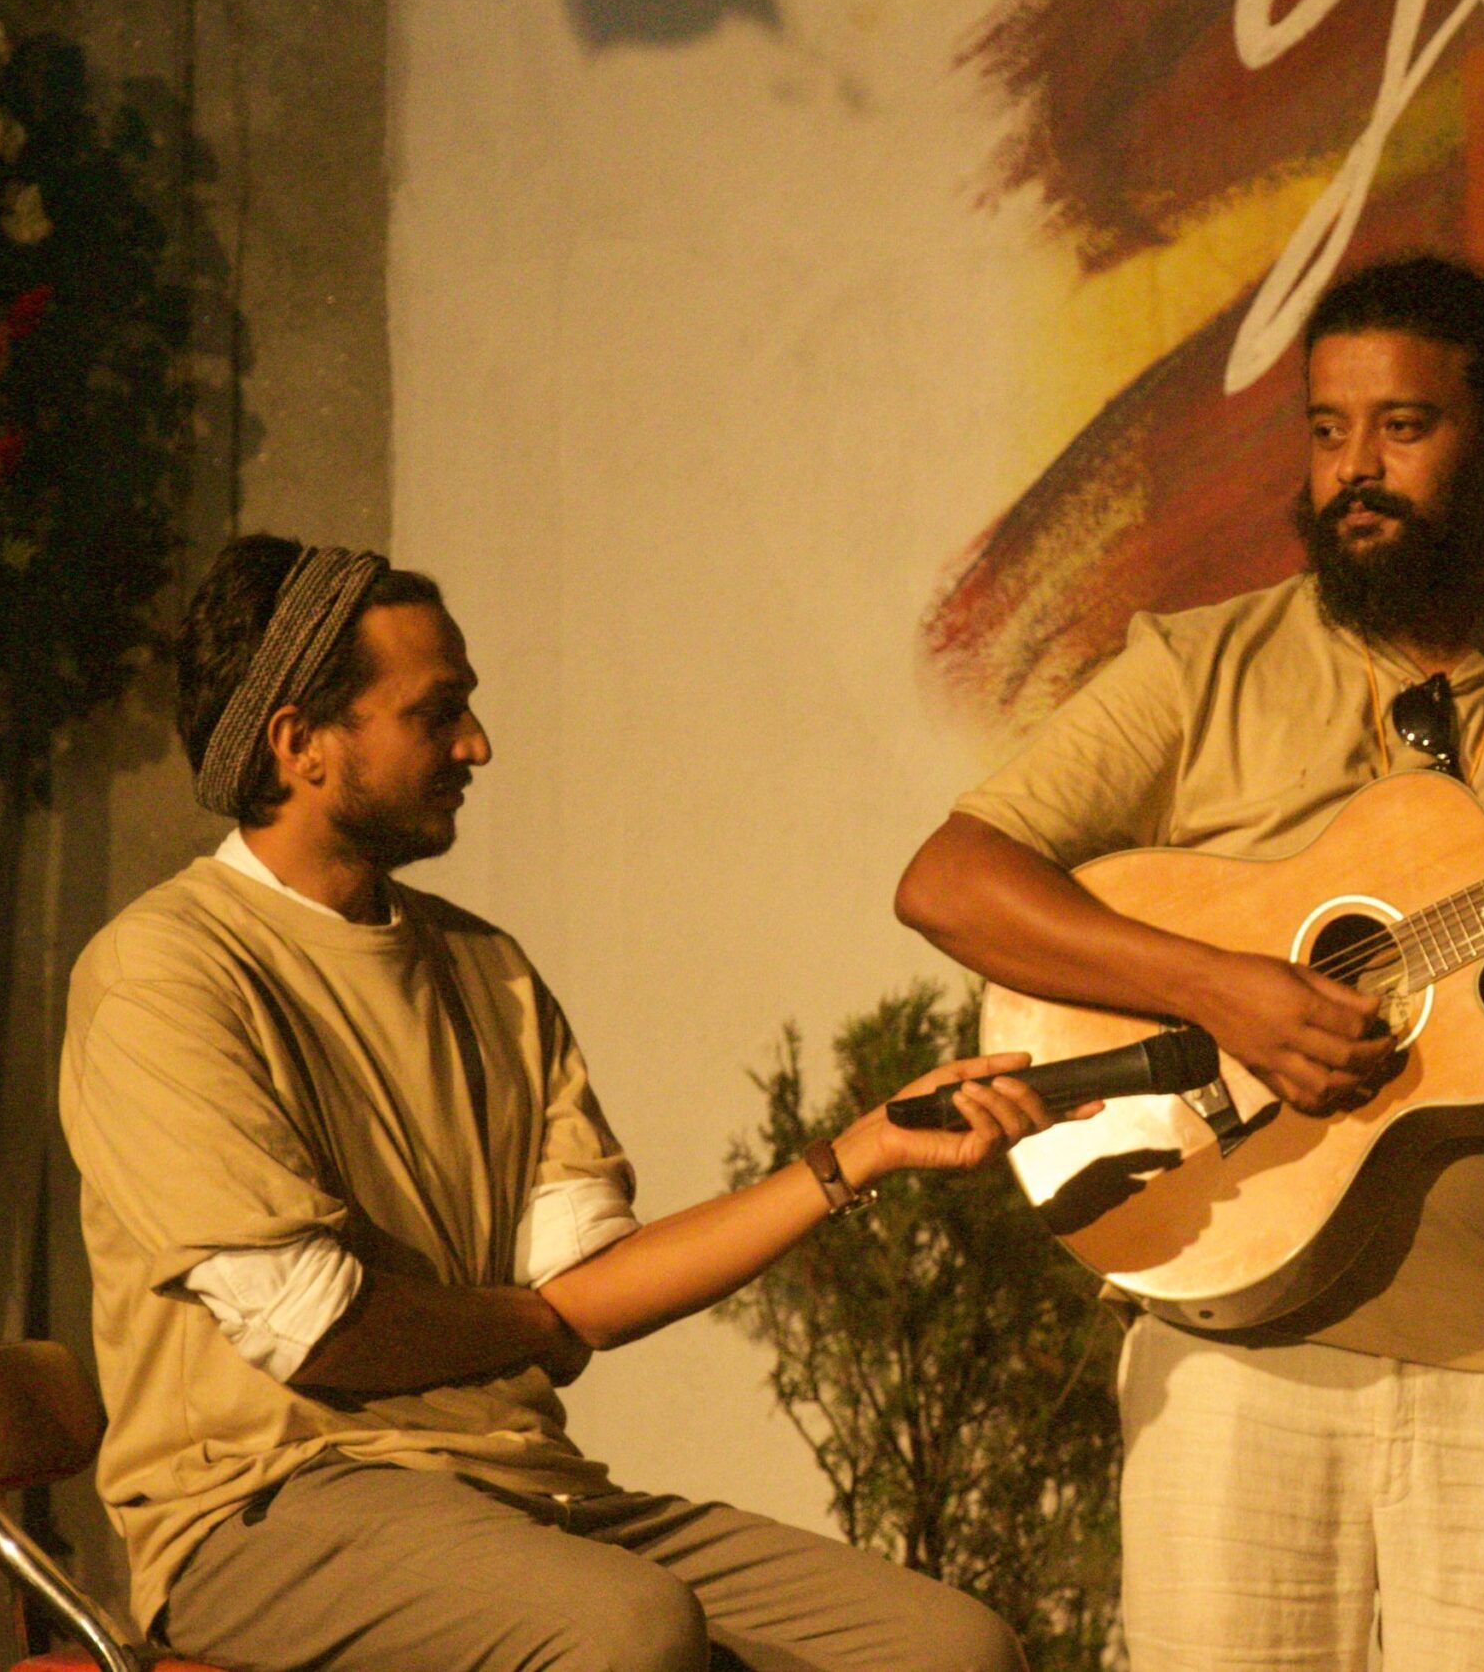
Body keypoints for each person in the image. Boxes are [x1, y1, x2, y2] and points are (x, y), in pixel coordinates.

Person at [895, 254, 1484, 1671]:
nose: (1355, 469)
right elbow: (951, 881)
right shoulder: (1199, 665)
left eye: (1403, 427)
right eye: (1328, 430)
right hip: (1231, 1343)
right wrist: (1219, 988)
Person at [60, 535, 1058, 1672]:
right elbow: (320, 1329)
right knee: (626, 1629)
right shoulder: (166, 970)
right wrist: (540, 1323)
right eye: (437, 713)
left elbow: (587, 1289)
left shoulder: (485, 968)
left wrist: (859, 1152)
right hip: (268, 1509)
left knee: (950, 1650)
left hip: (518, 1491)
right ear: (301, 745)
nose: (477, 744)